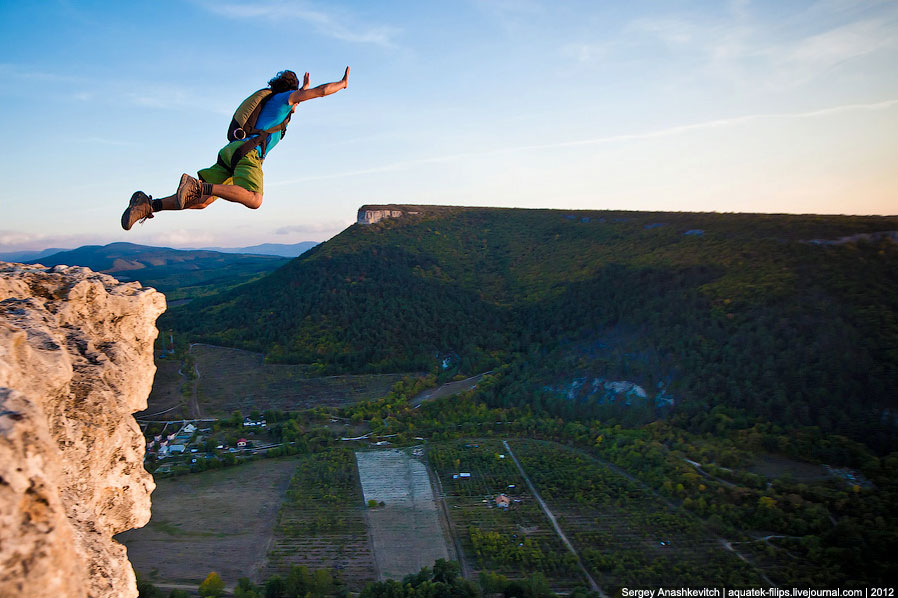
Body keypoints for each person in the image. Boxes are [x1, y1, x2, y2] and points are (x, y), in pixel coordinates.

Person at [121, 67, 350, 230]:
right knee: (254, 199)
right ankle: (197, 185)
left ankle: (149, 205)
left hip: (231, 151)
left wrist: (303, 85)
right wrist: (341, 84)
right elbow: (320, 92)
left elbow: (297, 104)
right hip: (248, 154)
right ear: (292, 92)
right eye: (298, 94)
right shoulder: (283, 100)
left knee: (201, 202)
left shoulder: (273, 104)